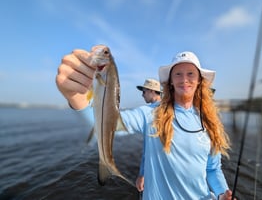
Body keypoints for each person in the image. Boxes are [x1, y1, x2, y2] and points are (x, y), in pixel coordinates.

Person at [56, 45, 235, 200]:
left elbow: (213, 169)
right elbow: (112, 124)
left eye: (190, 73)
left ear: (199, 81)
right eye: (178, 74)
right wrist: (76, 97)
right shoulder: (151, 113)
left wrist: (221, 193)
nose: (184, 79)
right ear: (171, 81)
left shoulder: (210, 123)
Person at [136, 78, 162, 192]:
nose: (142, 95)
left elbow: (149, 149)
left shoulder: (149, 112)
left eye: (144, 92)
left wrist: (142, 174)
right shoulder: (170, 108)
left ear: (152, 91)